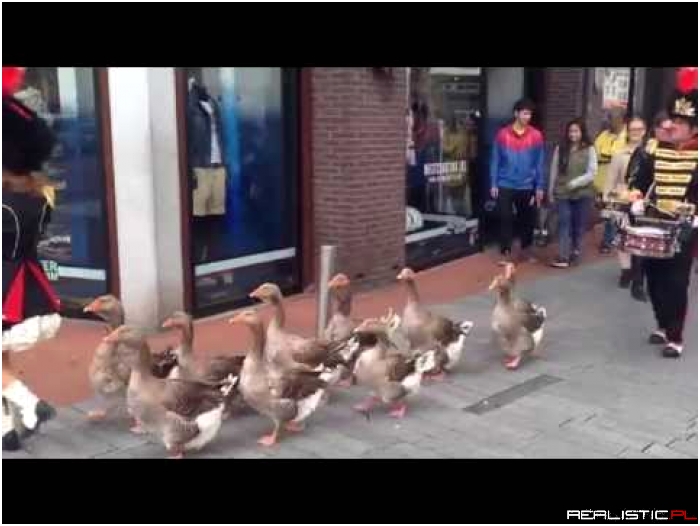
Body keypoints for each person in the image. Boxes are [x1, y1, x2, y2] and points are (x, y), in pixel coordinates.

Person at [2, 68, 62, 451]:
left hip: (9, 296)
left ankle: (30, 404)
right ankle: (7, 431)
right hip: (29, 293)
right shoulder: (38, 198)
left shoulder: (5, 207)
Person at [627, 67, 698, 359]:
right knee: (654, 278)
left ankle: (675, 336)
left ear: (694, 127)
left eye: (680, 122)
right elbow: (640, 181)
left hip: (685, 226)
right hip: (655, 222)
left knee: (676, 282)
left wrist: (695, 218)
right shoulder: (656, 149)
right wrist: (635, 198)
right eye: (673, 120)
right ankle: (662, 323)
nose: (671, 126)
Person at [489, 98, 545, 265]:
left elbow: (539, 162)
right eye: (525, 113)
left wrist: (539, 186)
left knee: (527, 219)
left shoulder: (536, 135)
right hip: (505, 183)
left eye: (530, 114)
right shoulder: (503, 134)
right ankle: (505, 251)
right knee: (505, 218)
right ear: (516, 114)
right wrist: (493, 183)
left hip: (526, 184)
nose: (528, 117)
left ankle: (526, 250)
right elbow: (495, 160)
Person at [604, 115, 649, 300]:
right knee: (623, 237)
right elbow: (611, 179)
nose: (636, 132)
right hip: (623, 199)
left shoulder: (650, 152)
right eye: (632, 129)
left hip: (644, 202)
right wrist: (608, 200)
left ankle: (639, 273)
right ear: (628, 131)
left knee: (641, 238)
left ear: (644, 131)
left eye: (639, 129)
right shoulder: (619, 154)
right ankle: (626, 270)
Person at [548, 118, 598, 268]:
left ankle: (575, 251)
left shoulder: (589, 149)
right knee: (564, 222)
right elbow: (554, 169)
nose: (573, 134)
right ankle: (562, 256)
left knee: (578, 224)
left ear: (582, 132)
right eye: (570, 131)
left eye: (576, 131)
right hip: (562, 191)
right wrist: (550, 190)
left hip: (582, 193)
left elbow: (592, 172)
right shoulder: (561, 148)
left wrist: (576, 183)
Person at [594, 107, 628, 253]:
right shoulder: (604, 134)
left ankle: (608, 241)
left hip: (617, 179)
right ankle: (613, 236)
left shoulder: (627, 135)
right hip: (601, 179)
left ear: (621, 119)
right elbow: (596, 151)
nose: (610, 121)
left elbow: (619, 154)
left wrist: (607, 156)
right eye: (609, 118)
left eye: (612, 118)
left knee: (612, 210)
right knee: (606, 211)